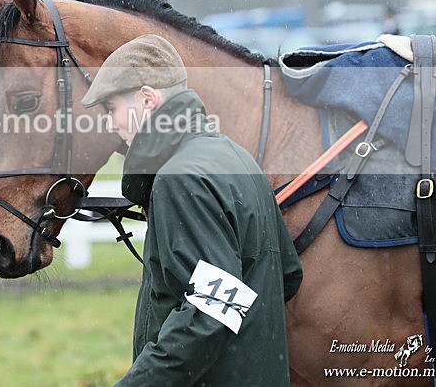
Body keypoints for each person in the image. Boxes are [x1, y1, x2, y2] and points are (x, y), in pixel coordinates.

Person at [81, 34, 302, 386]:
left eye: (112, 109)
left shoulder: (178, 178)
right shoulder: (238, 158)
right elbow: (287, 274)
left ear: (147, 100)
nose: (110, 124)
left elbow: (210, 312)